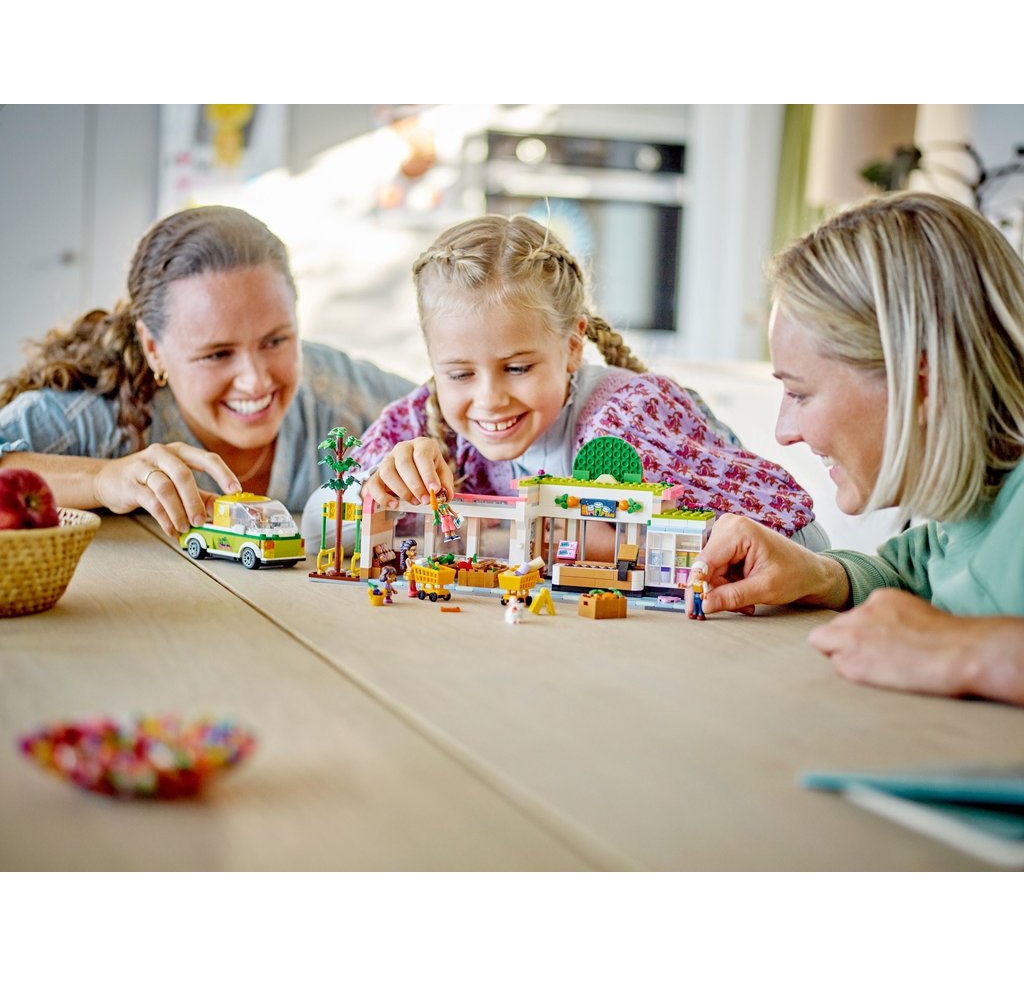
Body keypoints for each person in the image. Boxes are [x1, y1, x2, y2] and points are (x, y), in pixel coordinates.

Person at [311, 214, 826, 554]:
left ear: (573, 345)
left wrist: (639, 543)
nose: (488, 398)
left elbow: (807, 541)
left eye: (517, 368)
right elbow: (316, 529)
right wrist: (369, 490)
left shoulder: (627, 423)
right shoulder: (427, 422)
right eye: (461, 373)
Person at [694, 191, 1024, 706]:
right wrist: (819, 572)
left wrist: (968, 650)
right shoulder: (971, 506)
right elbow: (912, 578)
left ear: (920, 381)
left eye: (800, 393)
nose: (784, 431)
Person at [0, 206, 413, 536]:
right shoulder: (96, 417)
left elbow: (456, 415)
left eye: (276, 341)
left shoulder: (338, 392)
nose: (256, 379)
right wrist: (101, 480)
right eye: (217, 354)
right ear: (152, 349)